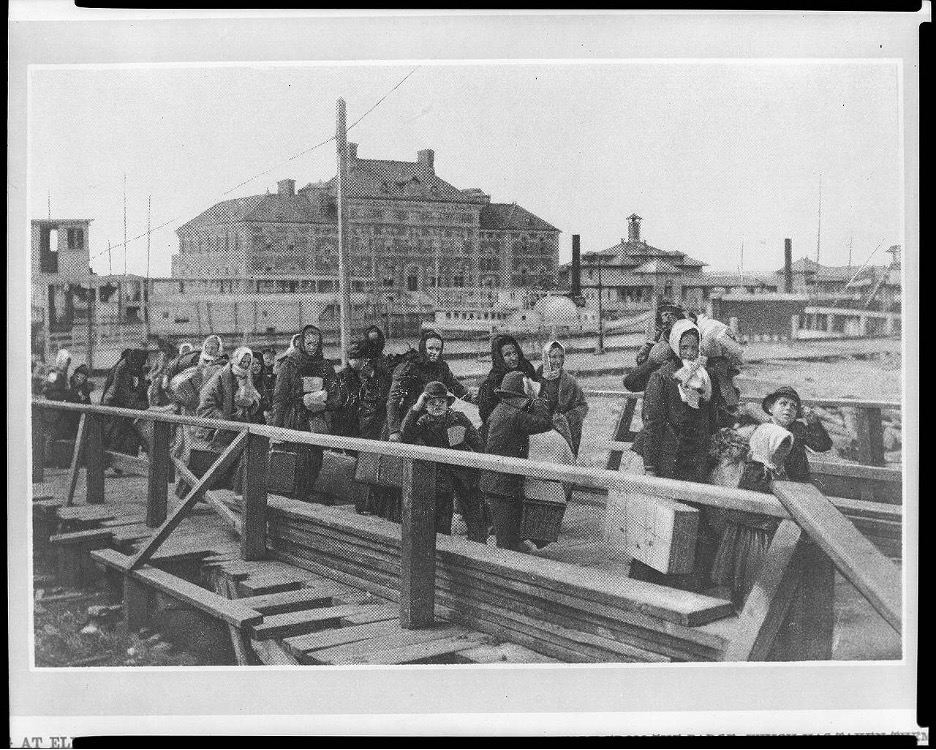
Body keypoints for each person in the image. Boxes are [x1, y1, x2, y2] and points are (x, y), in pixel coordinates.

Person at [629, 319, 726, 590]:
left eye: (694, 347)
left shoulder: (704, 377)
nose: (690, 353)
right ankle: (650, 579)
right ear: (674, 346)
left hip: (695, 457)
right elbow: (653, 423)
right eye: (684, 347)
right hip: (669, 457)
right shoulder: (662, 377)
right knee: (662, 519)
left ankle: (687, 580)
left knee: (692, 517)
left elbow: (709, 417)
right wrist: (650, 466)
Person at [708, 422, 793, 607]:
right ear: (767, 446)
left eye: (785, 449)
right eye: (779, 448)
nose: (782, 454)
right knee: (750, 573)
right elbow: (751, 503)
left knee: (756, 575)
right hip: (751, 531)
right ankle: (745, 608)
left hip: (763, 528)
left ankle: (748, 606)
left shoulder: (772, 470)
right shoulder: (755, 470)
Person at [400, 381, 488, 542]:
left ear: (448, 403)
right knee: (441, 521)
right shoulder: (423, 422)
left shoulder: (458, 419)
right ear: (425, 406)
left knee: (475, 518)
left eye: (442, 402)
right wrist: (416, 408)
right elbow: (405, 435)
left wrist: (481, 467)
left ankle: (479, 551)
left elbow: (478, 444)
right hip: (440, 477)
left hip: (464, 474)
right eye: (432, 403)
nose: (437, 406)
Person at [479, 370, 555, 553]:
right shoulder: (516, 415)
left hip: (495, 480)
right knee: (506, 543)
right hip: (504, 484)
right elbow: (546, 423)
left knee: (509, 532)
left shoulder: (499, 410)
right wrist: (536, 398)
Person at [271, 324, 340, 503]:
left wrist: (323, 402)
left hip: (316, 420)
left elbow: (337, 395)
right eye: (309, 344)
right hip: (294, 419)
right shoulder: (290, 364)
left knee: (314, 460)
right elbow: (279, 398)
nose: (312, 348)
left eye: (315, 345)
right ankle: (293, 497)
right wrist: (275, 429)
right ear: (302, 343)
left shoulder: (325, 366)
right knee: (295, 460)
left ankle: (305, 495)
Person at [190, 346, 262, 490]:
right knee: (213, 465)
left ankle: (237, 494)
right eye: (243, 361)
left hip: (240, 427)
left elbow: (254, 398)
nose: (245, 365)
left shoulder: (247, 377)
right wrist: (226, 418)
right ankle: (198, 492)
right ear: (236, 360)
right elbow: (206, 404)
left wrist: (252, 402)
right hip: (221, 429)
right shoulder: (220, 377)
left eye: (248, 362)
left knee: (242, 460)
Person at [761, 386, 833, 481]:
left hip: (798, 483)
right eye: (783, 403)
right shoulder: (763, 431)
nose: (788, 408)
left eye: (793, 406)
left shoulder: (798, 428)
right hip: (770, 484)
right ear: (771, 408)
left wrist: (813, 422)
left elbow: (823, 445)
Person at [534, 340, 589, 457]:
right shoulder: (535, 378)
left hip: (563, 428)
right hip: (540, 428)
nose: (558, 361)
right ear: (546, 358)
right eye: (553, 357)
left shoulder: (569, 380)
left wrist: (572, 415)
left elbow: (583, 405)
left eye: (561, 356)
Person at [477, 334, 538, 439]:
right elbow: (488, 416)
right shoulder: (492, 382)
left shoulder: (527, 369)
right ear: (500, 357)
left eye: (515, 353)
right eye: (507, 355)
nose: (513, 358)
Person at [100, 348, 151, 458]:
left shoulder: (137, 366)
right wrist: (137, 404)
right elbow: (120, 391)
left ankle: (130, 458)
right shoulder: (122, 367)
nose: (142, 364)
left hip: (128, 403)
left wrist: (145, 402)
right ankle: (113, 460)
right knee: (117, 433)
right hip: (113, 402)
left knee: (132, 433)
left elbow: (141, 387)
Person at [332, 341, 368, 441]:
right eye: (351, 358)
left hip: (362, 420)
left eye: (357, 358)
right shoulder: (341, 376)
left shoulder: (368, 375)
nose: (354, 361)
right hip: (345, 421)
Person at [41, 349, 73, 444]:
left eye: (68, 363)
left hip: (59, 409)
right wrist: (66, 395)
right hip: (52, 410)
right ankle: (48, 458)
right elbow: (49, 392)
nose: (67, 365)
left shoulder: (64, 374)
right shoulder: (54, 373)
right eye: (66, 362)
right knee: (51, 435)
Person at [250, 348, 272, 424]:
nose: (255, 366)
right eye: (252, 364)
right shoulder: (245, 381)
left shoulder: (265, 380)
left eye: (258, 363)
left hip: (263, 420)